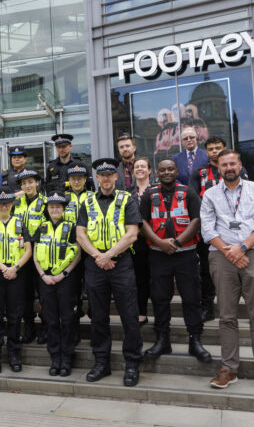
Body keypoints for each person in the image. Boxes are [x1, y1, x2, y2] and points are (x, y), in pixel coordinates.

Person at [200, 149, 254, 393]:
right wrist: (230, 252)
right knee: (227, 316)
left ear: (240, 165)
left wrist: (241, 248)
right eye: (223, 164)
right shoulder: (209, 195)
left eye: (232, 163)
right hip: (221, 257)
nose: (228, 168)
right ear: (217, 168)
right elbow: (208, 230)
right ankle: (228, 368)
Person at [76, 158, 143, 387]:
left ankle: (132, 364)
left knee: (129, 316)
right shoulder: (87, 201)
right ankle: (101, 362)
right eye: (101, 175)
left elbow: (132, 234)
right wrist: (98, 256)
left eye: (109, 175)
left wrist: (109, 255)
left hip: (121, 263)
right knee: (98, 316)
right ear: (97, 178)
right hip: (95, 265)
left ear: (116, 177)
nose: (105, 178)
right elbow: (80, 234)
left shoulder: (126, 199)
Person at [139, 160, 212, 363]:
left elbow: (197, 220)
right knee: (160, 299)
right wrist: (160, 242)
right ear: (157, 172)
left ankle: (195, 341)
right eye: (162, 169)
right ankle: (163, 340)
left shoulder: (188, 192)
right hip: (158, 255)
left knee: (191, 298)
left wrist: (178, 242)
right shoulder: (149, 194)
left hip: (186, 255)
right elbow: (142, 221)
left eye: (170, 169)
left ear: (177, 171)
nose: (166, 172)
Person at [190, 136, 248, 322]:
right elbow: (194, 200)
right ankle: (207, 307)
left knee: (242, 271)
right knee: (207, 272)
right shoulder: (198, 173)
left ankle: (244, 307)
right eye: (211, 149)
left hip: (237, 231)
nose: (214, 151)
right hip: (209, 231)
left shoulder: (237, 170)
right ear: (206, 152)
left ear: (224, 148)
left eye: (218, 148)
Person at [0, 188, 31, 374]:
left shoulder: (20, 223)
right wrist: (3, 268)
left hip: (16, 274)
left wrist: (14, 268)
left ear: (12, 204)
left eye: (7, 202)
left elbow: (28, 250)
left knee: (15, 315)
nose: (4, 205)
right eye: (0, 203)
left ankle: (14, 353)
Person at [33, 192, 80, 377]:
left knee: (67, 320)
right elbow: (36, 254)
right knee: (51, 320)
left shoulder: (71, 227)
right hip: (45, 279)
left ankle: (67, 358)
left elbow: (77, 253)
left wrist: (64, 274)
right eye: (51, 206)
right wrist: (43, 275)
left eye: (58, 207)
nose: (54, 209)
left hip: (65, 280)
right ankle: (55, 358)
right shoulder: (41, 228)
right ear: (47, 209)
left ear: (63, 209)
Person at [13, 166, 47, 344]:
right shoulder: (16, 204)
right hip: (21, 255)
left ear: (37, 183)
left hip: (41, 254)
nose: (27, 186)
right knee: (24, 294)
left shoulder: (46, 203)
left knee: (43, 294)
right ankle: (29, 327)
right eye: (24, 183)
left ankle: (45, 328)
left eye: (30, 182)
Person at [64, 163, 92, 340]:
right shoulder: (63, 198)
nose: (76, 181)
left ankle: (94, 328)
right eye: (73, 178)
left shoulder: (93, 197)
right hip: (70, 249)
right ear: (68, 180)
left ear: (85, 180)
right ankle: (73, 330)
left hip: (90, 249)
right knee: (72, 291)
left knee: (92, 289)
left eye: (80, 178)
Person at [129, 157, 152, 326]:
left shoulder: (157, 189)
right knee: (140, 279)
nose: (140, 169)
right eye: (137, 167)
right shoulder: (127, 192)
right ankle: (141, 313)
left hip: (157, 240)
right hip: (136, 242)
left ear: (150, 170)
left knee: (158, 280)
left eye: (143, 166)